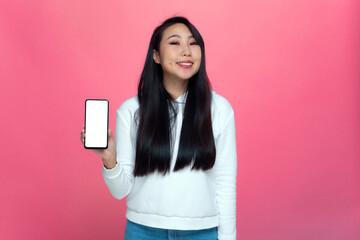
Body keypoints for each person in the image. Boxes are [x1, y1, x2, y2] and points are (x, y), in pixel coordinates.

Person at [81, 16, 237, 240]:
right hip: (143, 231)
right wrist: (110, 159)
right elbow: (120, 191)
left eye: (193, 43)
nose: (186, 51)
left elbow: (225, 183)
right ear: (156, 56)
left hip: (202, 233)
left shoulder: (219, 109)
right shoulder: (131, 111)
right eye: (175, 43)